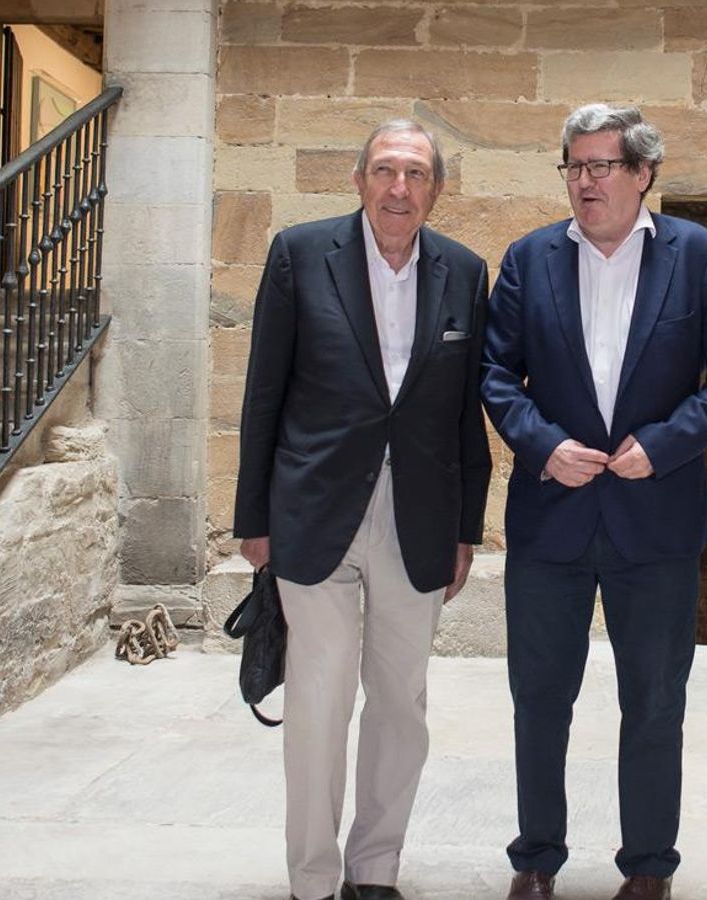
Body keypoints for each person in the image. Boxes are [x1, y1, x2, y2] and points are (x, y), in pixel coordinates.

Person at [481, 103, 707, 900]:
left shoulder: (696, 255)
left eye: (601, 166)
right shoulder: (528, 258)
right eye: (573, 166)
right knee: (539, 698)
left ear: (643, 173)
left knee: (655, 700)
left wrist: (664, 444)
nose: (584, 181)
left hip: (656, 518)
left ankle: (647, 867)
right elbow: (496, 373)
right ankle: (537, 858)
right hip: (552, 517)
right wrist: (543, 444)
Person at [233, 119, 492, 900]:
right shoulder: (300, 253)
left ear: (436, 189)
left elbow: (467, 413)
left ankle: (374, 870)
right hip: (314, 508)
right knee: (320, 697)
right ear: (359, 181)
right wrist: (254, 520)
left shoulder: (463, 271)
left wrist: (466, 530)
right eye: (385, 170)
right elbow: (264, 391)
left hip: (419, 514)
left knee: (401, 701)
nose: (398, 188)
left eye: (415, 174)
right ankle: (313, 879)